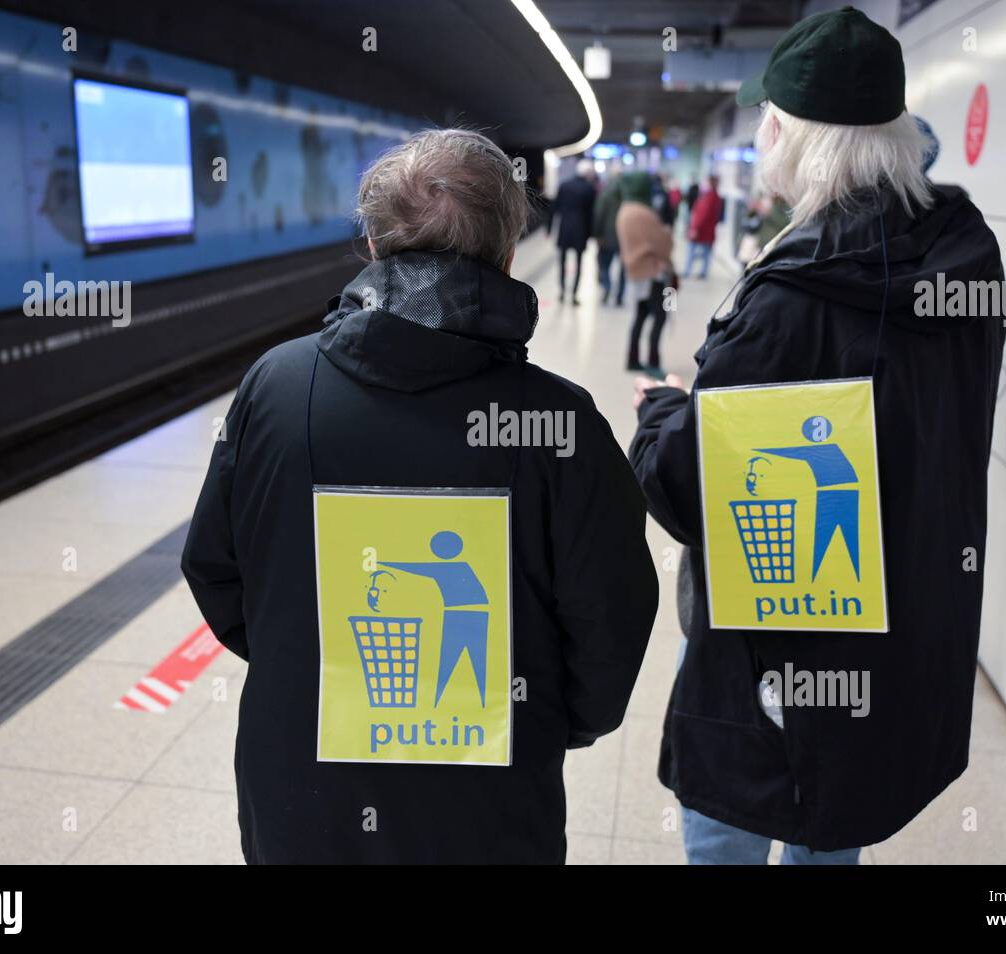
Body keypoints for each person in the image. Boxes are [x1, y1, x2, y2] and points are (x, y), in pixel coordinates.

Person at [182, 128, 658, 864]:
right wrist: (545, 718)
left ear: (372, 246)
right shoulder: (557, 424)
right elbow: (613, 616)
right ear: (506, 254)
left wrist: (305, 664)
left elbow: (215, 566)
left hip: (304, 800)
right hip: (490, 808)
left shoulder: (273, 388)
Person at [628, 7, 1006, 864]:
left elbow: (693, 494)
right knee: (834, 829)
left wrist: (660, 411)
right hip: (902, 636)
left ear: (785, 134)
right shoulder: (966, 259)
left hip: (774, 653)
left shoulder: (791, 300)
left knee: (735, 830)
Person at [616, 170, 675, 374]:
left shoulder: (625, 209)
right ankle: (653, 362)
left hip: (635, 273)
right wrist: (667, 234)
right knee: (660, 318)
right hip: (653, 273)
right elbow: (663, 244)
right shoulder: (644, 213)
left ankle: (632, 359)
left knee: (640, 317)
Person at [548, 159, 598, 303]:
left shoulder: (564, 185)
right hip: (581, 230)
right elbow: (591, 214)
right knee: (579, 263)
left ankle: (562, 291)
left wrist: (550, 228)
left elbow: (554, 208)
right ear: (587, 173)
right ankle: (574, 294)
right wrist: (591, 235)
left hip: (564, 228)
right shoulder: (589, 188)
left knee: (562, 261)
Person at [592, 174, 625, 306]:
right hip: (623, 239)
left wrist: (597, 234)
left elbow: (598, 216)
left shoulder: (605, 196)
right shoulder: (626, 197)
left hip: (606, 238)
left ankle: (607, 287)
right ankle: (619, 297)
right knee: (623, 270)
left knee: (604, 265)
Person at [684, 174, 723, 279]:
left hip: (702, 231)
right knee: (706, 253)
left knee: (692, 251)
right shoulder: (716, 197)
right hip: (709, 231)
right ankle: (703, 272)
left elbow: (702, 214)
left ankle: (688, 271)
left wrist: (695, 228)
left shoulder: (708, 197)